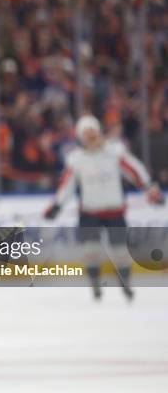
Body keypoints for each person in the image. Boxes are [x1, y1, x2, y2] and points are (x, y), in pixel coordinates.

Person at [44, 115, 163, 300]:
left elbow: (135, 171)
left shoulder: (115, 152)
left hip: (114, 210)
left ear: (99, 132)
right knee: (91, 251)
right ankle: (95, 285)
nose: (91, 137)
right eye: (86, 134)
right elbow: (66, 186)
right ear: (80, 137)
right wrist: (56, 206)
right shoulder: (76, 159)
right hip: (89, 212)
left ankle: (126, 284)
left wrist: (150, 189)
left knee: (120, 251)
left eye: (93, 132)